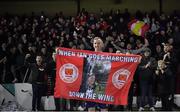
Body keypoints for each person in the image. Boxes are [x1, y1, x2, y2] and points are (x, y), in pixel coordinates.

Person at [85, 37, 108, 112]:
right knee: (91, 108)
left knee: (103, 108)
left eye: (98, 43)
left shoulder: (107, 56)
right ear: (93, 45)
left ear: (102, 45)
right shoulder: (89, 56)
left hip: (101, 86)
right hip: (90, 86)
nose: (96, 45)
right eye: (95, 43)